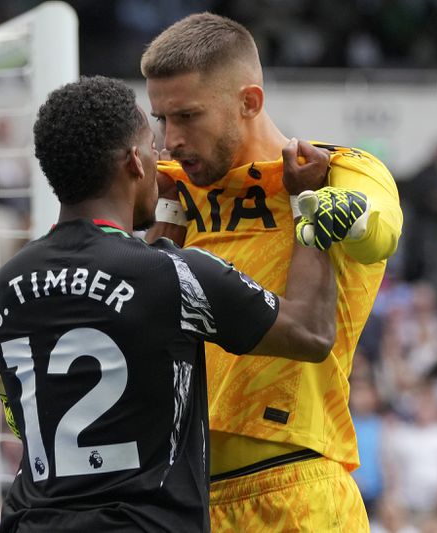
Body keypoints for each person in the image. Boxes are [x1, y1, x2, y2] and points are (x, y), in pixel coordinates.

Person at [0, 75, 363, 531]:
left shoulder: (7, 284)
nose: (163, 154)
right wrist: (308, 200)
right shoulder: (175, 276)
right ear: (134, 163)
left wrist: (171, 211)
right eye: (152, 144)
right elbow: (310, 332)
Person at [141, 12, 402, 532]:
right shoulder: (172, 190)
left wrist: (334, 209)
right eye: (161, 119)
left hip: (295, 490)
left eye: (188, 116)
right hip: (181, 498)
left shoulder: (333, 170)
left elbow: (379, 230)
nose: (170, 140)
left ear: (250, 102)